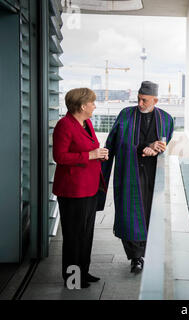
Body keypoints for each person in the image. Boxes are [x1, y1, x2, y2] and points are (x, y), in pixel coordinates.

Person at [98, 81, 174, 273]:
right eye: (138, 99)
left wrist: (155, 149)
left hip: (152, 172)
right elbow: (113, 143)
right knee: (129, 214)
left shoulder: (166, 119)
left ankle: (149, 251)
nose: (140, 103)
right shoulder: (125, 114)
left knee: (150, 212)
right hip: (129, 170)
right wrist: (142, 147)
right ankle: (136, 257)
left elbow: (165, 142)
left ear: (155, 100)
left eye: (144, 100)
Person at [52, 88, 108, 288]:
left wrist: (99, 154)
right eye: (92, 102)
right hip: (73, 191)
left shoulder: (87, 123)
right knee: (74, 237)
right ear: (83, 106)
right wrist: (90, 155)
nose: (94, 106)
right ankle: (73, 279)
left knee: (86, 234)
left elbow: (89, 148)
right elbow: (59, 157)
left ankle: (83, 272)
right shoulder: (64, 125)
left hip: (89, 188)